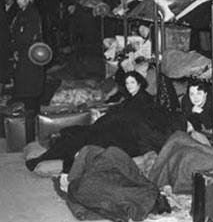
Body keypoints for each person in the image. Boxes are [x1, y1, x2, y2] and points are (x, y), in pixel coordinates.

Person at [25, 71, 181, 173]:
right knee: (76, 135)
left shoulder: (143, 101)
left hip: (123, 138)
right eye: (127, 83)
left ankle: (49, 161)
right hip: (112, 131)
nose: (129, 86)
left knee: (79, 137)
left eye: (132, 83)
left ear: (140, 83)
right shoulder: (130, 98)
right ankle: (49, 159)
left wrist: (106, 120)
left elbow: (131, 121)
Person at [10, 0, 45, 111]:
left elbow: (28, 35)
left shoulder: (32, 13)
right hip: (24, 52)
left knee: (30, 82)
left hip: (30, 52)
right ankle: (28, 107)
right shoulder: (21, 13)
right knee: (25, 82)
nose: (18, 2)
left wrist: (19, 46)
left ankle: (32, 110)